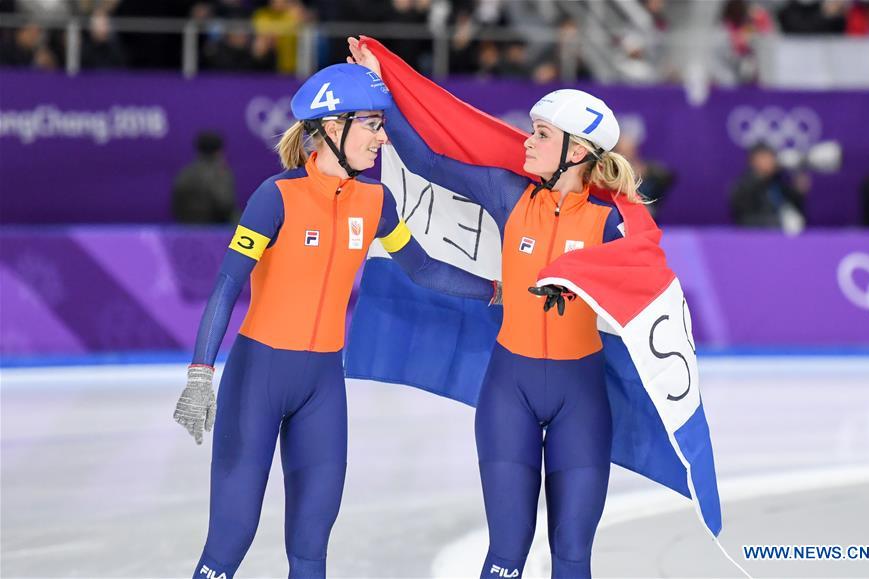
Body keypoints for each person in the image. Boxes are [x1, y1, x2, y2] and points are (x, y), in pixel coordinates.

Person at [172, 63, 498, 579]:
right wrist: (199, 375)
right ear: (332, 127)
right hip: (258, 378)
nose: (383, 137)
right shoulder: (276, 196)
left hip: (322, 386)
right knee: (230, 539)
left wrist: (496, 290)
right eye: (372, 124)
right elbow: (227, 284)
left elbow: (423, 268)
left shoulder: (376, 202)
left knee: (311, 546)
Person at [349, 37, 642, 579]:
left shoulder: (611, 225)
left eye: (542, 134)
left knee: (573, 555)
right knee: (506, 555)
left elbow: (647, 302)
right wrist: (380, 83)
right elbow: (424, 161)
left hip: (581, 399)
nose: (528, 141)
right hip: (510, 392)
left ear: (577, 152)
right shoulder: (509, 195)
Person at [729, 142, 809, 232]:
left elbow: (793, 207)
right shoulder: (743, 185)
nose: (769, 161)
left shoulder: (777, 182)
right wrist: (779, 222)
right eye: (763, 157)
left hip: (782, 235)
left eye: (771, 157)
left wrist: (798, 192)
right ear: (752, 161)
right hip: (755, 235)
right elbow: (744, 218)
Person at [172, 131, 237, 224]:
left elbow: (176, 206)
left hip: (185, 227)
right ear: (218, 152)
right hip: (216, 229)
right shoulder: (221, 174)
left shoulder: (185, 173)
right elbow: (226, 204)